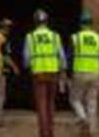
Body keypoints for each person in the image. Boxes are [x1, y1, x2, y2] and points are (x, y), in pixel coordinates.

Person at [23, 9, 67, 137]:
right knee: (51, 103)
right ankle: (51, 131)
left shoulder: (30, 37)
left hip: (38, 73)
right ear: (47, 21)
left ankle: (43, 133)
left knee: (41, 104)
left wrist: (30, 67)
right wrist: (63, 70)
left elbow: (26, 58)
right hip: (53, 72)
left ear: (35, 22)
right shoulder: (55, 36)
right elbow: (61, 56)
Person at [68, 10, 99, 137]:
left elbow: (70, 57)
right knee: (92, 101)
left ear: (81, 24)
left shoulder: (76, 38)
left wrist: (69, 73)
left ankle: (83, 118)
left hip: (80, 72)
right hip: (95, 72)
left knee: (74, 99)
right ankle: (92, 131)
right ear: (91, 24)